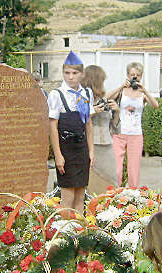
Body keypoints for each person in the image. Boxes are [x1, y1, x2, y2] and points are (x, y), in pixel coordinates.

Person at [48, 51, 94, 212]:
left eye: (75, 73)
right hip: (66, 149)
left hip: (81, 148)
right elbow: (52, 127)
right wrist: (58, 155)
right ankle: (66, 232)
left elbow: (88, 124)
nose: (70, 77)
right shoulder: (56, 95)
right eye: (67, 73)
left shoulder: (86, 93)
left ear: (82, 74)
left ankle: (80, 231)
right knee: (67, 196)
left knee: (81, 196)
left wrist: (91, 151)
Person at [106, 62, 158, 187]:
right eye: (132, 75)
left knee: (134, 170)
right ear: (127, 75)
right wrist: (121, 87)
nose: (135, 77)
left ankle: (133, 196)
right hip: (120, 133)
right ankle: (114, 195)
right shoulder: (122, 91)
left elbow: (156, 105)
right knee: (116, 169)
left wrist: (144, 90)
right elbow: (106, 98)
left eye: (138, 75)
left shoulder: (142, 94)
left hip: (136, 134)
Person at [81, 65, 118, 187]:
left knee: (111, 180)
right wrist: (92, 111)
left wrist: (117, 112)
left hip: (107, 146)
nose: (103, 83)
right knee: (92, 184)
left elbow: (115, 128)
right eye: (101, 80)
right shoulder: (82, 98)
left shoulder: (104, 99)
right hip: (91, 146)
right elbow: (76, 121)